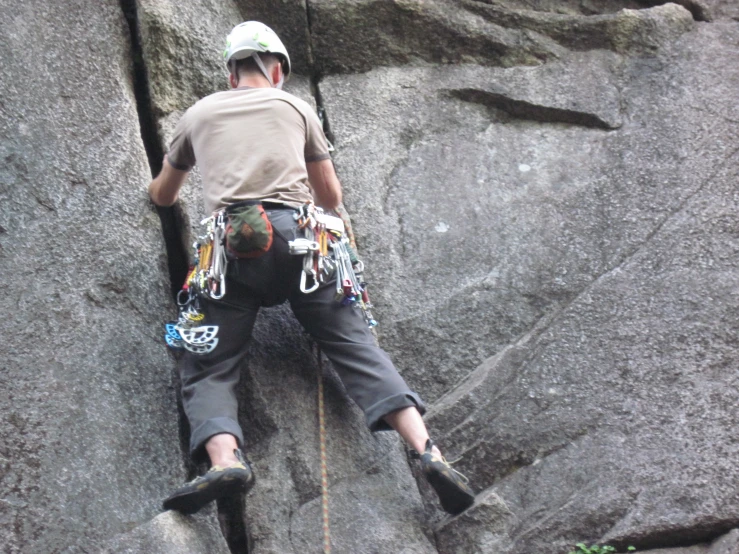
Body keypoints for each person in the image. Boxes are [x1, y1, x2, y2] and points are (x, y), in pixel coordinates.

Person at [148, 21, 474, 517]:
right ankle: (428, 450)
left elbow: (163, 195)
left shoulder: (200, 113)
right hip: (306, 242)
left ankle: (225, 459)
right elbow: (331, 196)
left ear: (232, 71)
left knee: (210, 362)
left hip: (230, 250)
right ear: (276, 68)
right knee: (355, 345)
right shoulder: (295, 107)